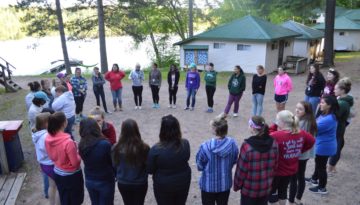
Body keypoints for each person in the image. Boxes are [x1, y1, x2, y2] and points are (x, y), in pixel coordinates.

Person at [269, 110, 315, 205]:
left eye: (277, 120)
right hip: (290, 169)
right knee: (283, 191)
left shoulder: (276, 135)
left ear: (282, 122)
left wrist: (274, 126)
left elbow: (266, 137)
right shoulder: (301, 133)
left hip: (277, 170)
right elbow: (312, 140)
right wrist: (299, 151)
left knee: (272, 192)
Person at [147, 115, 191, 205]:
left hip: (163, 184)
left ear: (162, 130)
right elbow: (187, 157)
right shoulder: (185, 144)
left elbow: (150, 170)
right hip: (183, 181)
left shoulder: (156, 149)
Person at [234, 116, 278, 205]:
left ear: (252, 127)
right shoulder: (274, 142)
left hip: (249, 189)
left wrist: (237, 185)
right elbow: (275, 165)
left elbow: (241, 169)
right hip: (265, 187)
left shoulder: (247, 146)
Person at [196, 115, 238, 205]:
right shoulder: (233, 144)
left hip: (208, 185)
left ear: (215, 130)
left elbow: (199, 165)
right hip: (225, 184)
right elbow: (235, 160)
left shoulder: (205, 146)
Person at [45, 112, 84, 205]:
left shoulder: (48, 137)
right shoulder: (68, 142)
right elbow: (75, 163)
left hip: (58, 172)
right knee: (75, 199)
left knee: (64, 197)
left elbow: (51, 156)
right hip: (71, 176)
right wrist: (78, 153)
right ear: (64, 123)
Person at [112, 119, 150, 205]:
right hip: (140, 182)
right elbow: (148, 166)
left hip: (123, 182)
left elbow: (114, 165)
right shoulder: (144, 147)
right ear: (136, 130)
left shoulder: (115, 148)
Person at [79, 118, 115, 205]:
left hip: (90, 179)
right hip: (105, 180)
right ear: (96, 128)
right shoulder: (104, 144)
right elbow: (112, 162)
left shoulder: (81, 144)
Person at [308, 95, 338, 194]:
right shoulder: (325, 114)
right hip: (323, 144)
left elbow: (313, 129)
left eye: (322, 103)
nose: (320, 104)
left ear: (329, 105)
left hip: (324, 146)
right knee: (319, 163)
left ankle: (322, 188)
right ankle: (314, 179)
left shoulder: (328, 119)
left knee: (321, 167)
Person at [288, 101, 317, 205]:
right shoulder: (306, 120)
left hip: (300, 155)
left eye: (300, 109)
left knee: (294, 178)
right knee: (300, 176)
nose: (297, 110)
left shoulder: (304, 123)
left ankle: (291, 201)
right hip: (303, 154)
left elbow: (301, 140)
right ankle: (298, 199)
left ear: (306, 111)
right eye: (296, 108)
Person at [32, 113, 60, 205]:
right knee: (59, 187)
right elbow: (53, 152)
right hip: (51, 164)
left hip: (44, 164)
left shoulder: (37, 134)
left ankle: (52, 203)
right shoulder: (47, 136)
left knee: (52, 186)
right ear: (46, 124)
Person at [328, 78, 354, 175]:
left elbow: (334, 116)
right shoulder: (342, 100)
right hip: (340, 126)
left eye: (336, 89)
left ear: (342, 90)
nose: (334, 90)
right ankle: (332, 167)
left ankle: (331, 167)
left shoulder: (342, 103)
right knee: (339, 143)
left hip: (338, 127)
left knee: (336, 147)